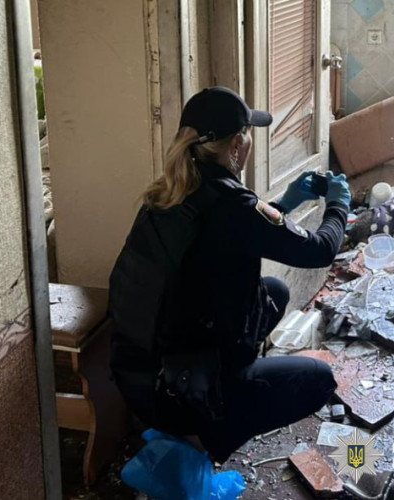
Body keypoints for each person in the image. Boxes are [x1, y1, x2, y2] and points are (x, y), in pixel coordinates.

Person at [108, 86, 351, 464]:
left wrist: (284, 204)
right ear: (237, 145)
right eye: (247, 134)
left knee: (274, 291)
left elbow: (224, 235)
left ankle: (213, 406)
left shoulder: (167, 193)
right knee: (318, 379)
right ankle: (204, 440)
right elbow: (320, 250)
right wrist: (339, 204)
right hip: (182, 394)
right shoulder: (233, 206)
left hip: (142, 375)